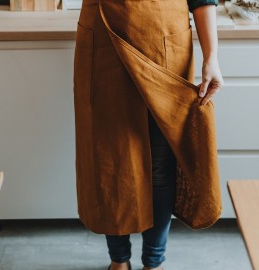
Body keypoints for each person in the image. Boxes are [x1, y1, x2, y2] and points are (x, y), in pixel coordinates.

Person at [73, 0, 224, 270]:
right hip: (104, 40)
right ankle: (118, 260)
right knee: (110, 160)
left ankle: (154, 261)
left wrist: (211, 56)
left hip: (164, 40)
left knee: (160, 164)